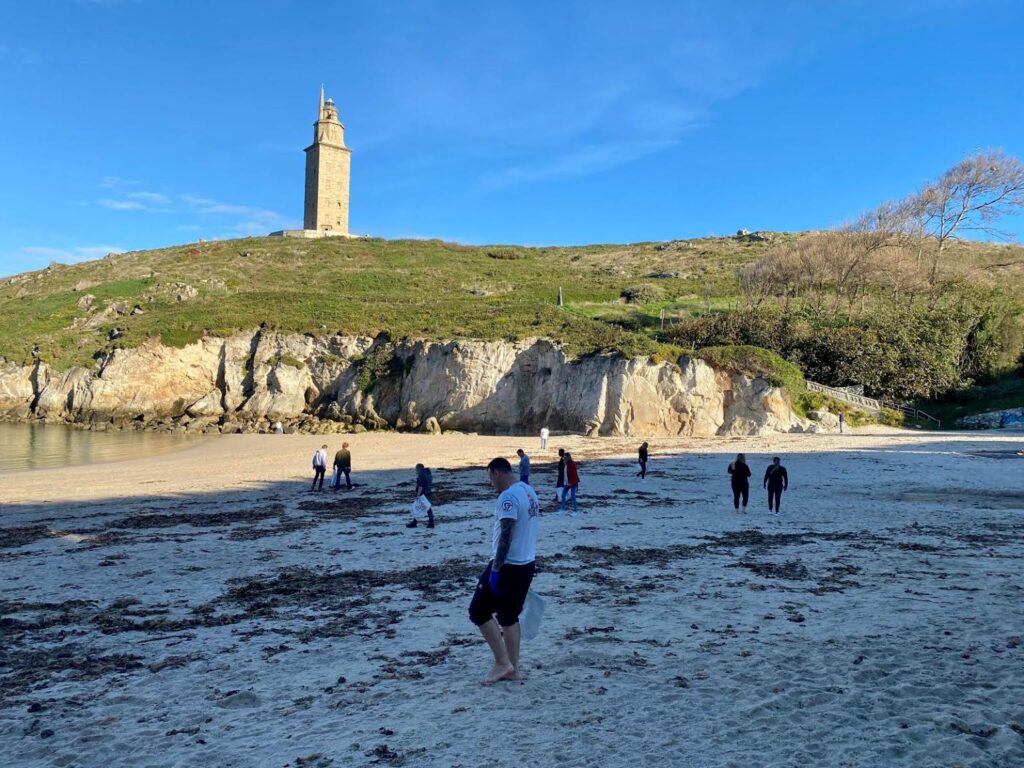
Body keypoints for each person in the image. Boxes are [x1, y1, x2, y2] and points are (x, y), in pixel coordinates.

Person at [468, 457, 540, 685]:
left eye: (490, 478)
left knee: (478, 610)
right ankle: (513, 669)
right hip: (526, 563)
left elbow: (506, 534)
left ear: (496, 473)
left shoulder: (507, 497)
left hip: (508, 564)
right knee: (509, 617)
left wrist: (496, 570)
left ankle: (502, 662)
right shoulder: (528, 490)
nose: (491, 484)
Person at [407, 463, 436, 529]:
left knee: (417, 508)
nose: (416, 471)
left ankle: (430, 523)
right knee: (425, 507)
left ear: (419, 468)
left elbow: (421, 486)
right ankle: (416, 522)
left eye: (416, 469)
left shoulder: (422, 475)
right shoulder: (428, 473)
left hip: (423, 493)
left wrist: (418, 495)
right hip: (428, 492)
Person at [559, 452, 579, 516]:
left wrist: (571, 482)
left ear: (568, 458)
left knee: (573, 496)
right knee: (563, 495)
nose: (563, 459)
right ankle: (563, 509)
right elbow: (565, 475)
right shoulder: (566, 464)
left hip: (573, 483)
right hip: (567, 483)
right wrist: (564, 482)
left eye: (565, 457)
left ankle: (575, 511)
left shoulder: (572, 464)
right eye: (563, 457)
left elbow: (574, 474)